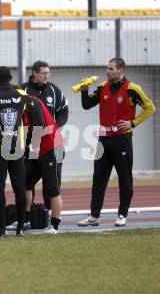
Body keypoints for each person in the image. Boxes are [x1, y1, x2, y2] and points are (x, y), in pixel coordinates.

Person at [78, 58, 155, 227]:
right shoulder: (102, 87)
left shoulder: (133, 89)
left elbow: (150, 107)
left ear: (121, 71)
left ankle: (122, 214)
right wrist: (85, 90)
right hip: (103, 140)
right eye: (107, 67)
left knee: (125, 179)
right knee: (98, 179)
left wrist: (132, 123)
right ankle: (94, 216)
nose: (107, 71)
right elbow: (87, 105)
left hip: (122, 140)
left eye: (111, 68)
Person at [0, 66, 43, 237]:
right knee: (19, 188)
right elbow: (34, 106)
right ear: (11, 77)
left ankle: (2, 229)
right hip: (17, 148)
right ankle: (20, 228)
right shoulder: (20, 94)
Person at [20, 60, 68, 210]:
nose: (46, 76)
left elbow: (64, 110)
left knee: (52, 184)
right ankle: (28, 215)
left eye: (48, 73)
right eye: (43, 73)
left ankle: (50, 216)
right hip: (29, 145)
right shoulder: (23, 90)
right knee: (27, 182)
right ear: (34, 73)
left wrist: (55, 127)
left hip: (50, 144)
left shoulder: (54, 90)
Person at [22, 96, 64, 234]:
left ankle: (55, 225)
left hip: (51, 149)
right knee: (26, 184)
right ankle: (25, 220)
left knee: (52, 189)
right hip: (38, 150)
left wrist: (33, 144)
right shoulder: (22, 109)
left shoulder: (32, 102)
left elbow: (40, 124)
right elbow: (29, 132)